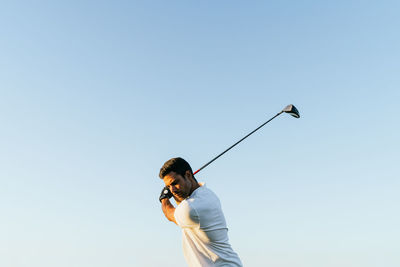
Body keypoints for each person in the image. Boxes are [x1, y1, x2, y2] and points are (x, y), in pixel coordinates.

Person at [159, 157, 243, 267]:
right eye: (168, 186)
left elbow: (169, 213)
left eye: (174, 183)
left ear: (188, 175)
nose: (172, 190)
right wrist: (174, 188)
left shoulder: (191, 208)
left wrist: (164, 197)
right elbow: (182, 205)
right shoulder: (207, 194)